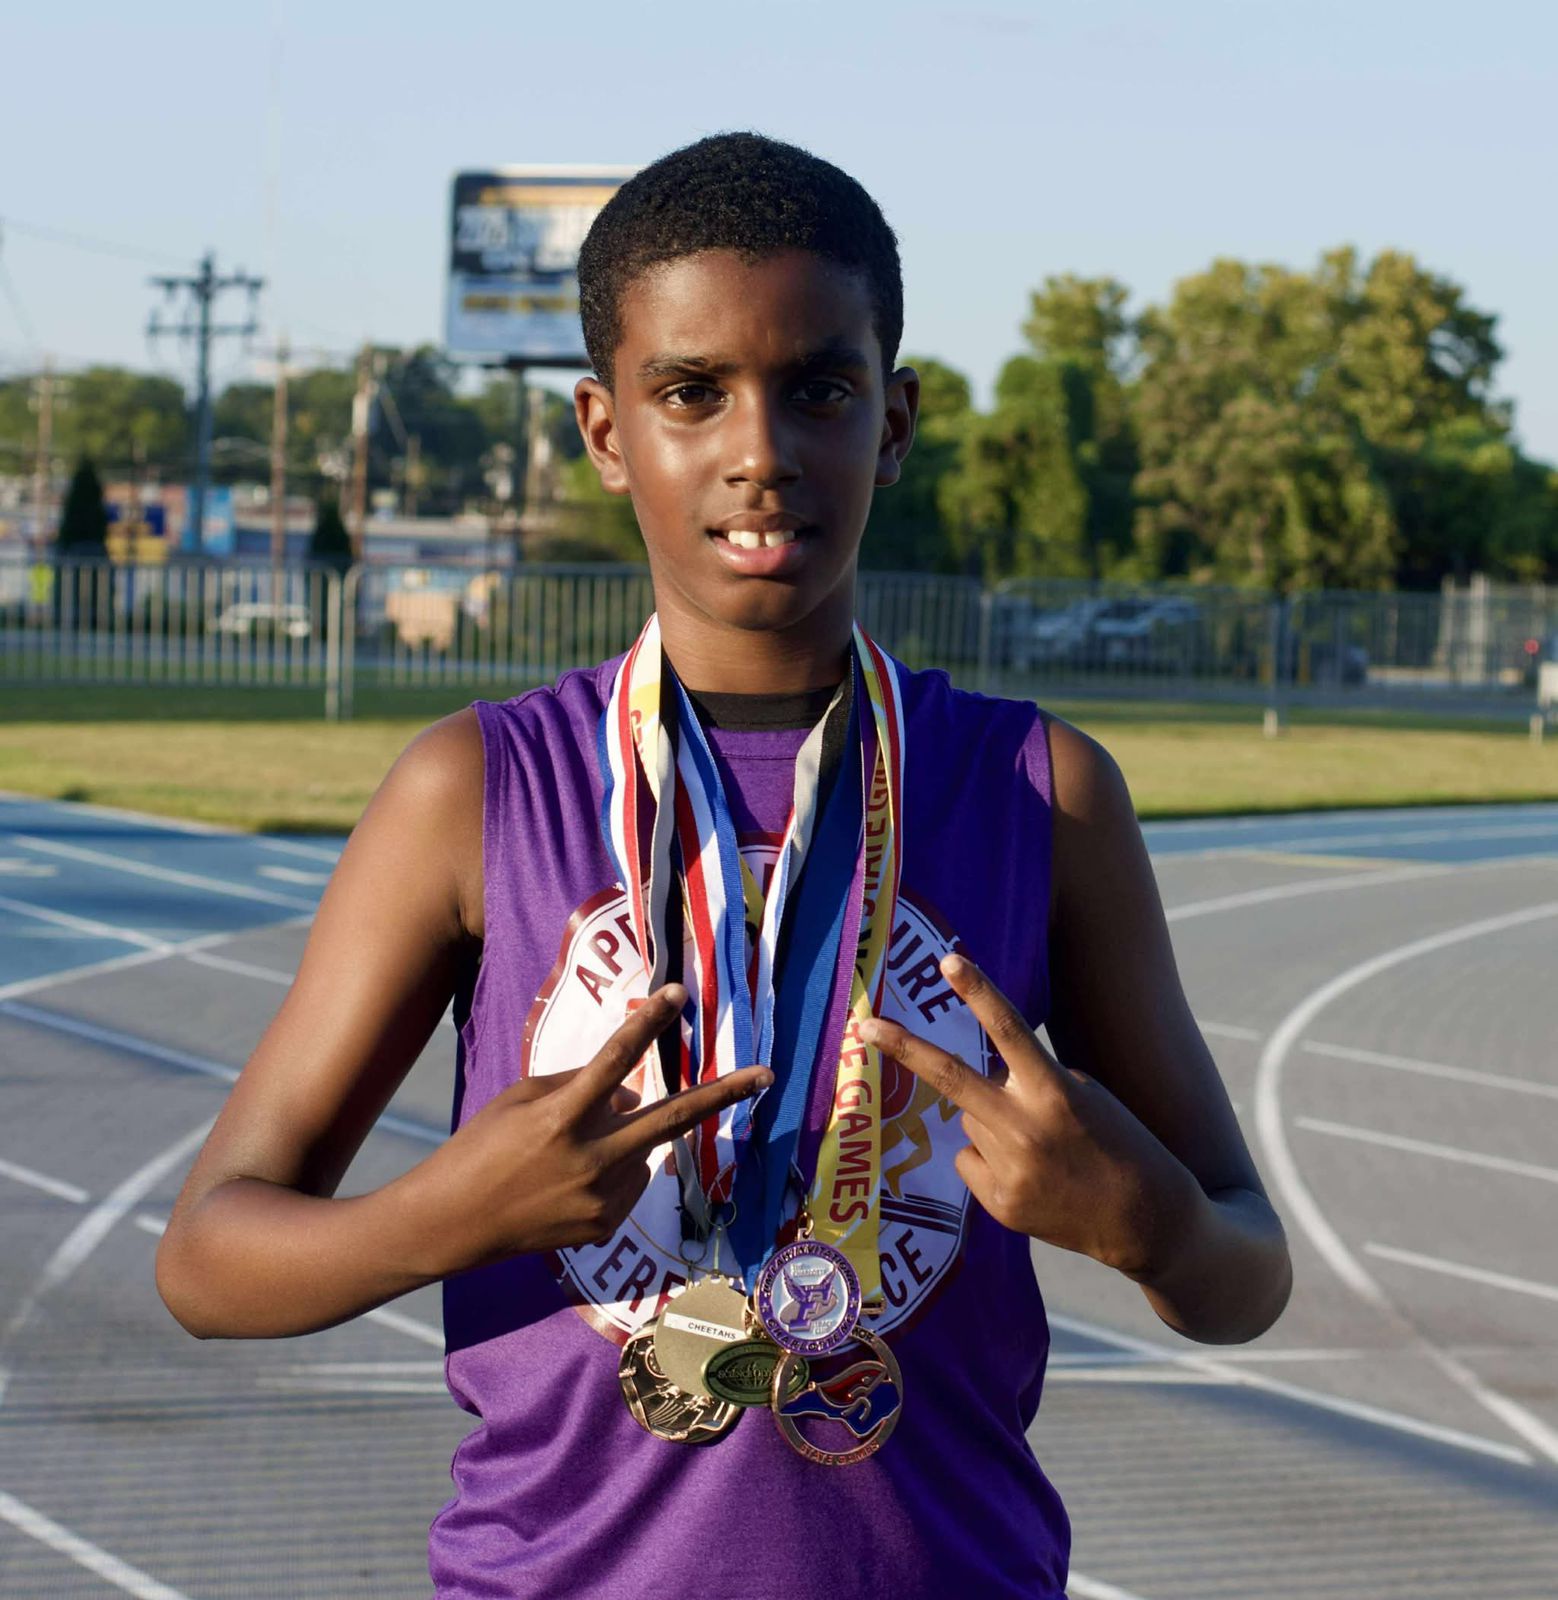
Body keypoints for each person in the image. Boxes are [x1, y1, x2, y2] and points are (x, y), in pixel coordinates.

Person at [155, 131, 1291, 1599]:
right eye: (691, 393)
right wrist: (446, 1214)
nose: (760, 451)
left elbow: (1245, 1271)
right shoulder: (474, 791)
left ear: (893, 420)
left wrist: (1149, 1223)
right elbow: (207, 1260)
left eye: (819, 388)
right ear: (604, 429)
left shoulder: (1038, 789)